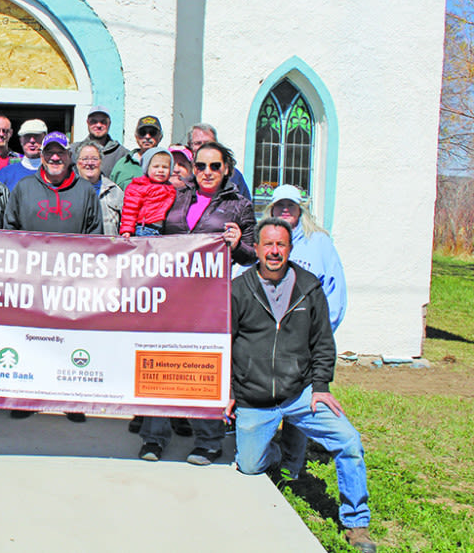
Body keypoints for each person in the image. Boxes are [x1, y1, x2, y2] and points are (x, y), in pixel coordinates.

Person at [227, 218, 376, 553]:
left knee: (349, 441)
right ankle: (274, 450)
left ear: (290, 248)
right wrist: (231, 392)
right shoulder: (239, 289)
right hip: (255, 398)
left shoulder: (309, 286)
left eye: (281, 244)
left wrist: (321, 386)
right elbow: (227, 341)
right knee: (250, 467)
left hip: (301, 394)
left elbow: (323, 342)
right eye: (268, 244)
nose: (274, 251)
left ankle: (357, 522)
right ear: (258, 249)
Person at [138, 140, 256, 465]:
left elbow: (251, 254)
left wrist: (237, 245)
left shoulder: (239, 206)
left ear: (226, 169)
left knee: (203, 367)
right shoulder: (177, 196)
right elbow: (156, 232)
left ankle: (208, 440)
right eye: (200, 166)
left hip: (209, 302)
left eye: (214, 166)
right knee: (159, 364)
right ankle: (154, 437)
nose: (206, 172)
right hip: (171, 296)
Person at [5, 132, 102, 423]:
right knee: (30, 339)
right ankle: (26, 396)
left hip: (72, 283)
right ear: (42, 156)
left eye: (61, 152)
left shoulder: (85, 191)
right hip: (31, 281)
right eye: (49, 153)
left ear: (69, 156)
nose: (55, 157)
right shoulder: (23, 187)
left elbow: (94, 234)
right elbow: (10, 230)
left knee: (70, 341)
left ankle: (71, 398)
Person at [263, 183, 348, 480]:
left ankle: (291, 465)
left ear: (301, 209)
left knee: (301, 402)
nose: (285, 210)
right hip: (268, 338)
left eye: (291, 205)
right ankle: (263, 452)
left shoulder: (320, 243)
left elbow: (335, 291)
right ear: (271, 209)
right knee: (266, 396)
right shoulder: (265, 240)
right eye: (280, 206)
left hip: (305, 339)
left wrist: (323, 331)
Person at [118, 148, 176, 238]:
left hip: (161, 230)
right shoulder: (139, 186)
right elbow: (130, 210)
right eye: (156, 166)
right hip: (145, 229)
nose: (160, 170)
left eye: (165, 167)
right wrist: (127, 230)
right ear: (147, 168)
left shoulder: (170, 187)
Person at [187, 122, 251, 199]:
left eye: (208, 143)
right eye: (198, 143)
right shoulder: (183, 172)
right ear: (189, 145)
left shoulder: (233, 176)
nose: (203, 146)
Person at [74, 141, 123, 236]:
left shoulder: (115, 191)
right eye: (84, 159)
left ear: (101, 162)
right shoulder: (68, 190)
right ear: (77, 163)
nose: (89, 163)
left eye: (94, 159)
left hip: (109, 248)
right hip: (77, 248)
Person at [70, 106, 129, 178]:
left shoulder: (122, 154)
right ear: (87, 123)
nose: (98, 125)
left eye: (103, 122)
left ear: (109, 123)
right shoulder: (73, 151)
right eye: (93, 121)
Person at [108, 115, 162, 190]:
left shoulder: (167, 164)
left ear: (160, 137)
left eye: (152, 133)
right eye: (142, 132)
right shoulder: (123, 164)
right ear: (136, 136)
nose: (147, 136)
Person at [0, 119, 47, 190]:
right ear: (21, 140)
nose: (32, 140)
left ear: (45, 138)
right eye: (27, 136)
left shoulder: (56, 174)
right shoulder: (5, 174)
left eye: (36, 136)